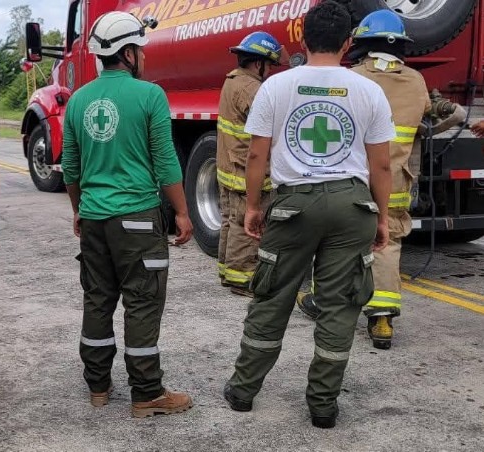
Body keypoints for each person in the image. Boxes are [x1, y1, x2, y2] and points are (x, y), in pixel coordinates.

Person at [223, 1, 393, 429]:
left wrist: (254, 207)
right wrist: (383, 218)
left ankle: (243, 392)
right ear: (348, 43)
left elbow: (258, 152)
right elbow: (383, 165)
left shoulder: (277, 86)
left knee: (273, 297)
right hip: (352, 206)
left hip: (293, 205)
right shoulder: (369, 90)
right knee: (339, 307)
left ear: (302, 38)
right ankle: (322, 406)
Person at [296, 9, 468, 350]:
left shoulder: (354, 77)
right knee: (387, 244)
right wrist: (424, 130)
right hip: (397, 183)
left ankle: (320, 301)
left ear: (361, 42)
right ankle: (382, 320)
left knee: (337, 242)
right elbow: (458, 114)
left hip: (353, 178)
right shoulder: (416, 81)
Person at [61, 11, 194, 418]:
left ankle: (98, 387)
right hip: (137, 218)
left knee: (98, 299)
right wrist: (183, 212)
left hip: (95, 219)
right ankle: (147, 393)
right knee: (142, 302)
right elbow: (166, 161)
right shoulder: (149, 95)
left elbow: (70, 168)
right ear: (130, 53)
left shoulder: (78, 100)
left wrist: (80, 210)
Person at [216, 31, 284, 297]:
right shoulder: (252, 89)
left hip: (229, 167)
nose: (269, 72)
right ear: (258, 63)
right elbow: (271, 125)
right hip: (244, 170)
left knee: (230, 221)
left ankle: (226, 270)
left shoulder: (232, 81)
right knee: (247, 226)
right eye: (270, 66)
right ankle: (241, 279)